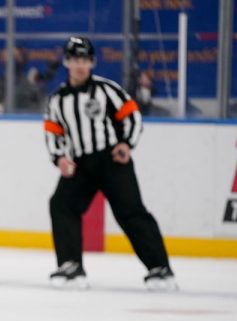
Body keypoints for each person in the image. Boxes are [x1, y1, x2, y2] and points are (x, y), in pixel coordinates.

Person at [43, 36, 176, 291]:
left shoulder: (106, 89)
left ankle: (160, 268)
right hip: (81, 164)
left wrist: (127, 144)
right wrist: (59, 158)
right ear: (67, 62)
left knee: (131, 211)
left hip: (112, 160)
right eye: (75, 60)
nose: (80, 65)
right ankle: (70, 265)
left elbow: (132, 116)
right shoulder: (58, 99)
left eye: (85, 60)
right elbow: (52, 131)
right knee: (61, 204)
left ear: (92, 62)